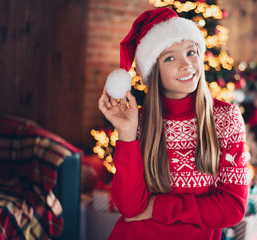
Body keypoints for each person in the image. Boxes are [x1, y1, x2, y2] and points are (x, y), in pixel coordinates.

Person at [98, 7, 248, 240]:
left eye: (191, 52)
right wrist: (127, 133)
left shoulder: (225, 119)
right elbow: (129, 209)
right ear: (153, 71)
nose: (186, 65)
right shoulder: (137, 121)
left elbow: (233, 208)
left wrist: (155, 206)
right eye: (170, 57)